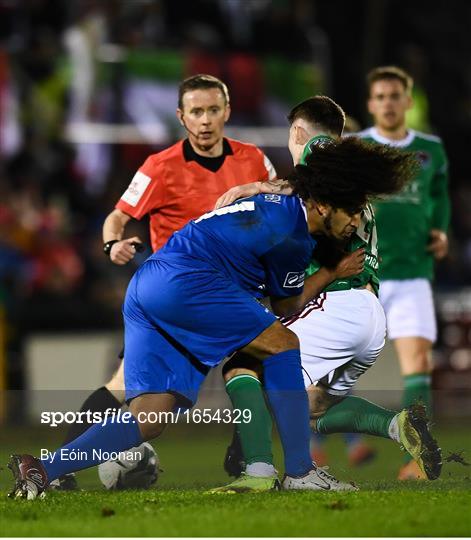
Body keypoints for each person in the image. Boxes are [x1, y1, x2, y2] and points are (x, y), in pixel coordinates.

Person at [9, 121, 417, 499]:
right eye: (353, 209)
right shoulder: (292, 235)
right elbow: (287, 304)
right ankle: (300, 471)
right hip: (187, 283)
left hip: (149, 284)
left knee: (152, 415)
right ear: (325, 206)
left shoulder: (279, 206)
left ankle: (42, 469)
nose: (357, 220)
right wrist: (331, 272)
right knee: (283, 343)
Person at [54, 73, 277, 490]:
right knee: (123, 388)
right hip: (176, 299)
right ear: (181, 116)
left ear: (227, 112)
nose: (206, 120)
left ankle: (245, 451)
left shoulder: (254, 161)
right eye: (196, 112)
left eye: (213, 110)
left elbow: (280, 205)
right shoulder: (160, 167)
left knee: (261, 360)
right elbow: (117, 218)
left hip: (232, 293)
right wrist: (111, 245)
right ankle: (58, 470)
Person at [208, 97, 442, 493]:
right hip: (369, 315)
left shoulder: (320, 152)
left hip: (338, 302)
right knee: (313, 408)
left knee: (243, 365)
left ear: (297, 132)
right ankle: (395, 425)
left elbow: (303, 188)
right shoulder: (343, 175)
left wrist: (253, 187)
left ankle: (263, 472)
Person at [359, 66, 450, 480]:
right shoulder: (356, 147)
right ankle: (314, 447)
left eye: (394, 96)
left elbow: (438, 196)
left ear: (408, 102)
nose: (387, 104)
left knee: (418, 364)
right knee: (331, 365)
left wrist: (442, 232)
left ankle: (419, 456)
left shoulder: (430, 149)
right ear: (370, 104)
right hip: (362, 274)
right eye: (379, 97)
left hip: (413, 272)